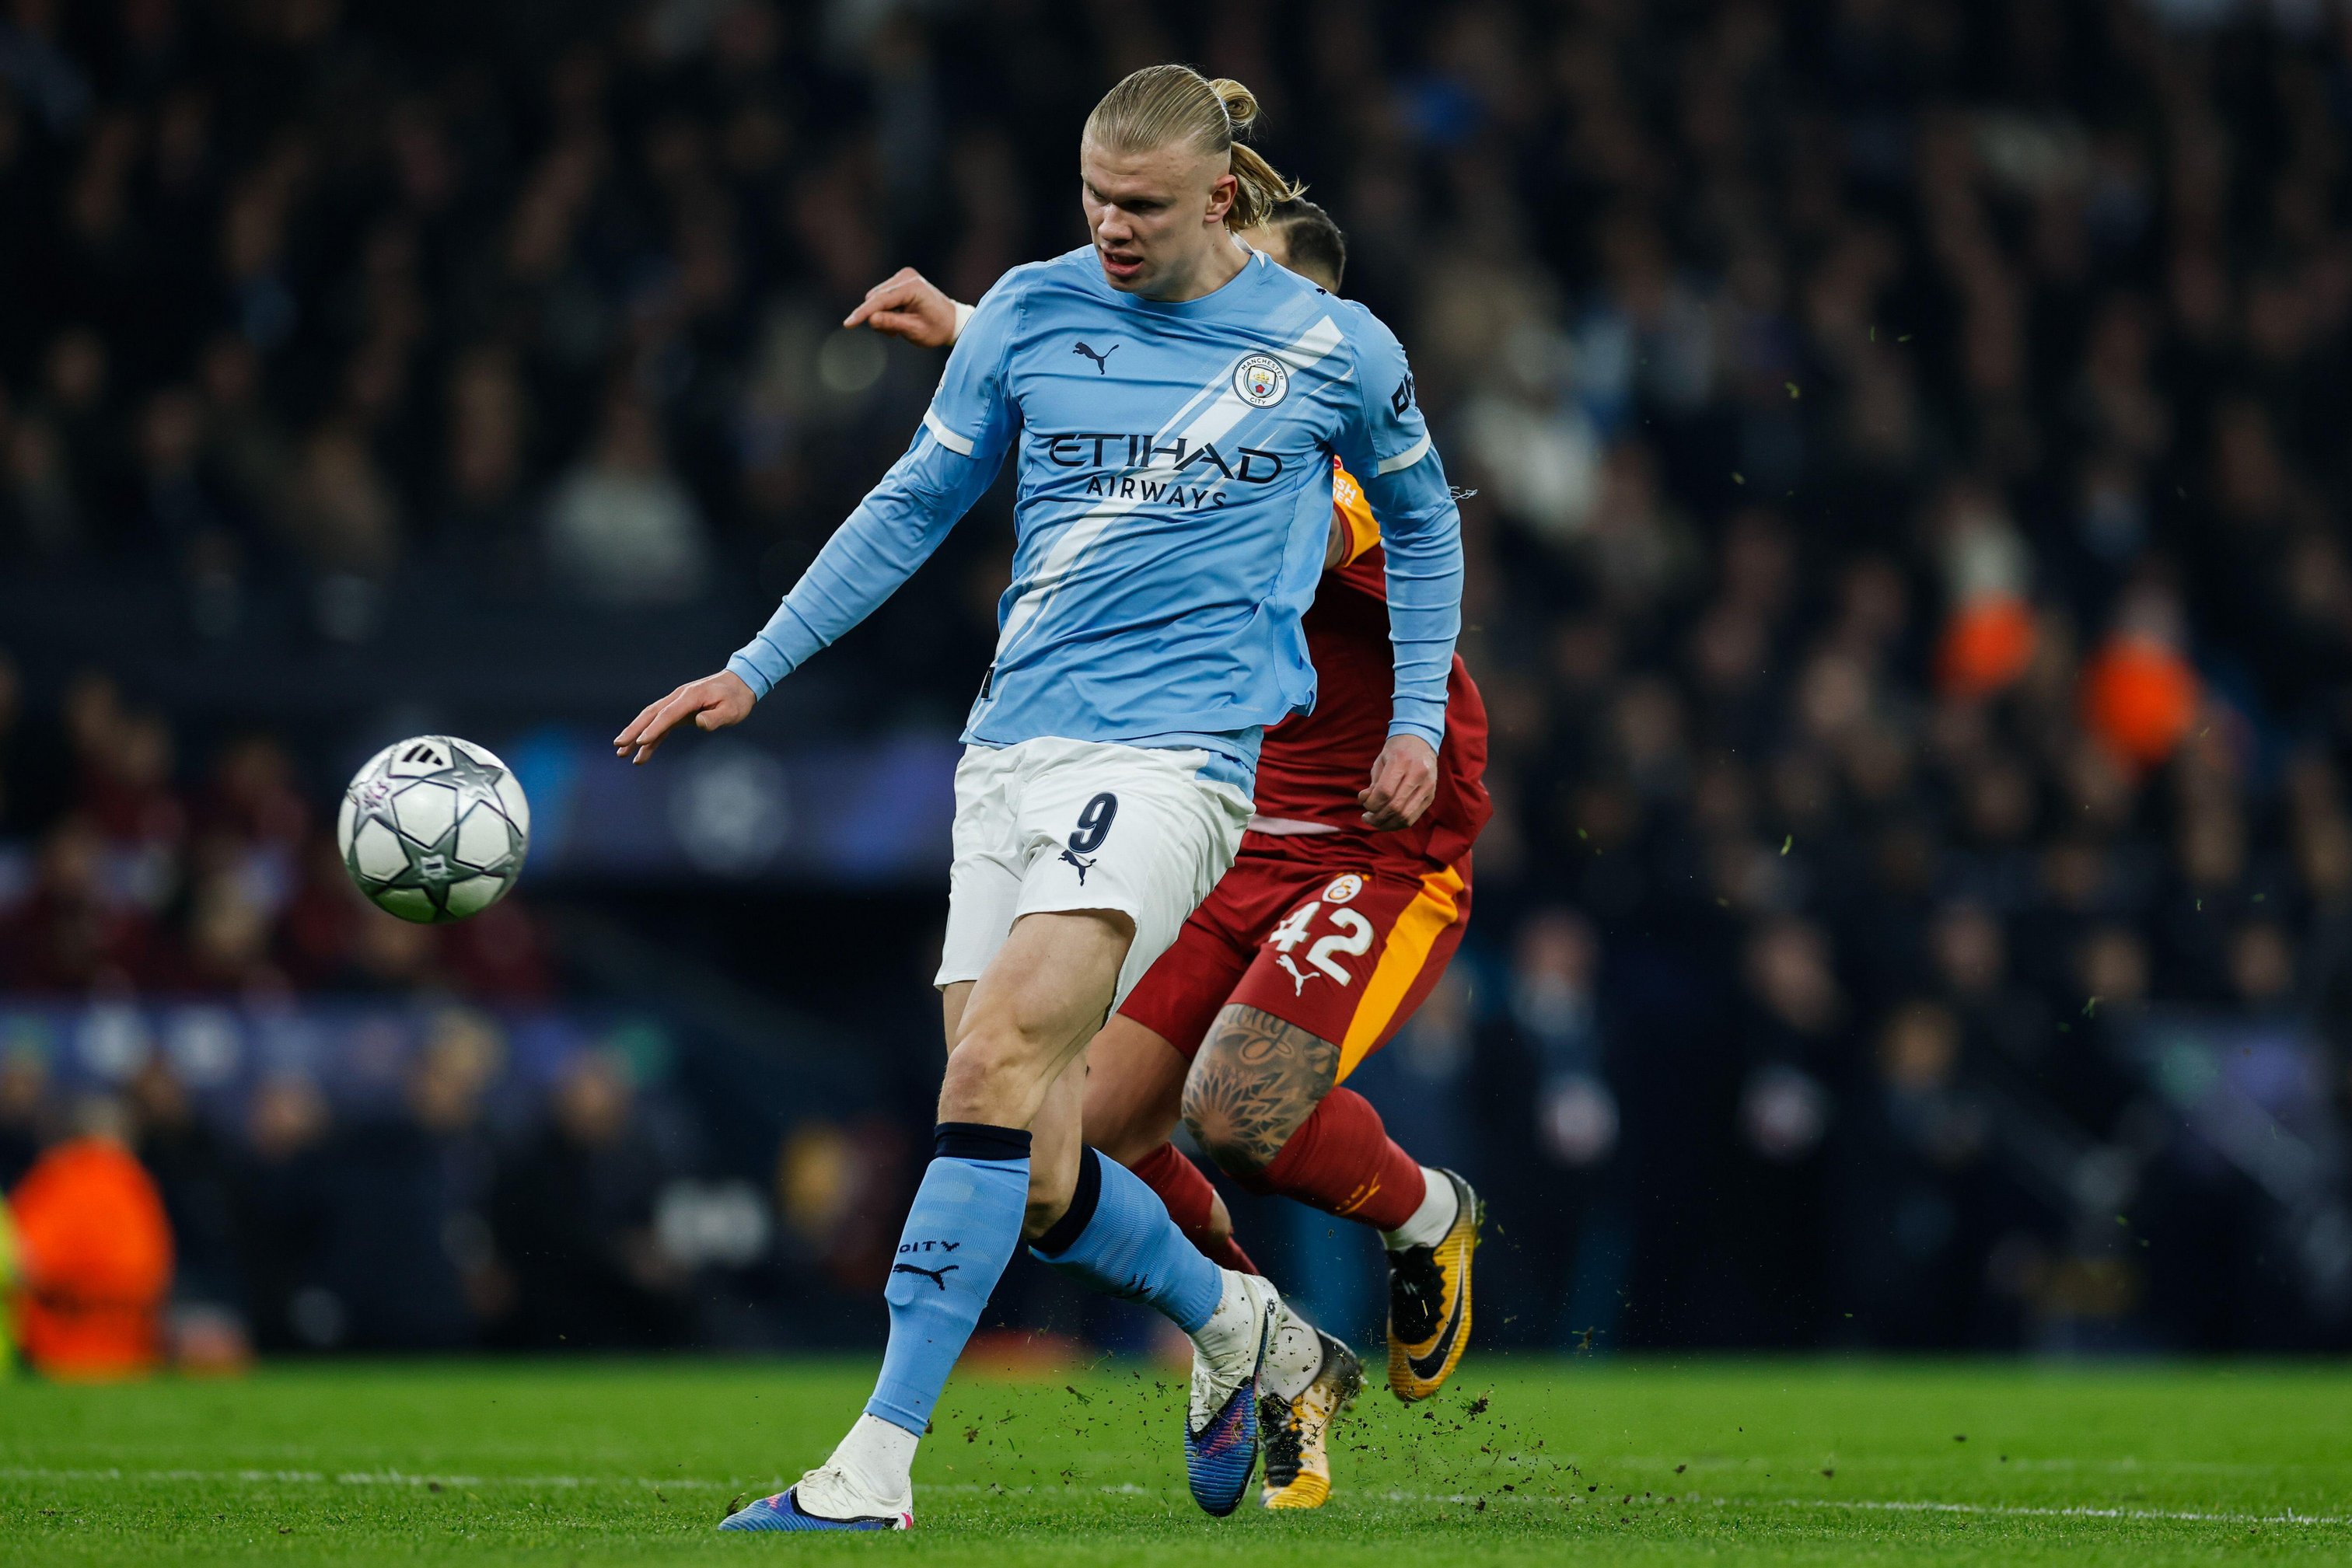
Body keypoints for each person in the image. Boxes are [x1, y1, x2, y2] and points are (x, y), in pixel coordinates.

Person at [613, 65, 1463, 1531]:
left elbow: (1430, 521)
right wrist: (757, 666)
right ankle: (1253, 1333)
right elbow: (909, 505)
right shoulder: (1026, 308)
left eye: (1138, 205)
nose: (1109, 228)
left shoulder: (1331, 348)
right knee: (1046, 1161)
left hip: (1175, 764)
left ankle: (871, 1467)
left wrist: (1420, 715)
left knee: (993, 1063)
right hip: (1005, 755)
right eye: (1091, 197)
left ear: (1221, 198)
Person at [847, 197, 1487, 1512]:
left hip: (1374, 852)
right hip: (1225, 824)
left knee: (1237, 1112)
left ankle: (1426, 1213)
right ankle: (1252, 1337)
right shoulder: (1193, 394)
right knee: (1084, 1128)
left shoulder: (1330, 452)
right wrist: (981, 331)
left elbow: (1243, 494)